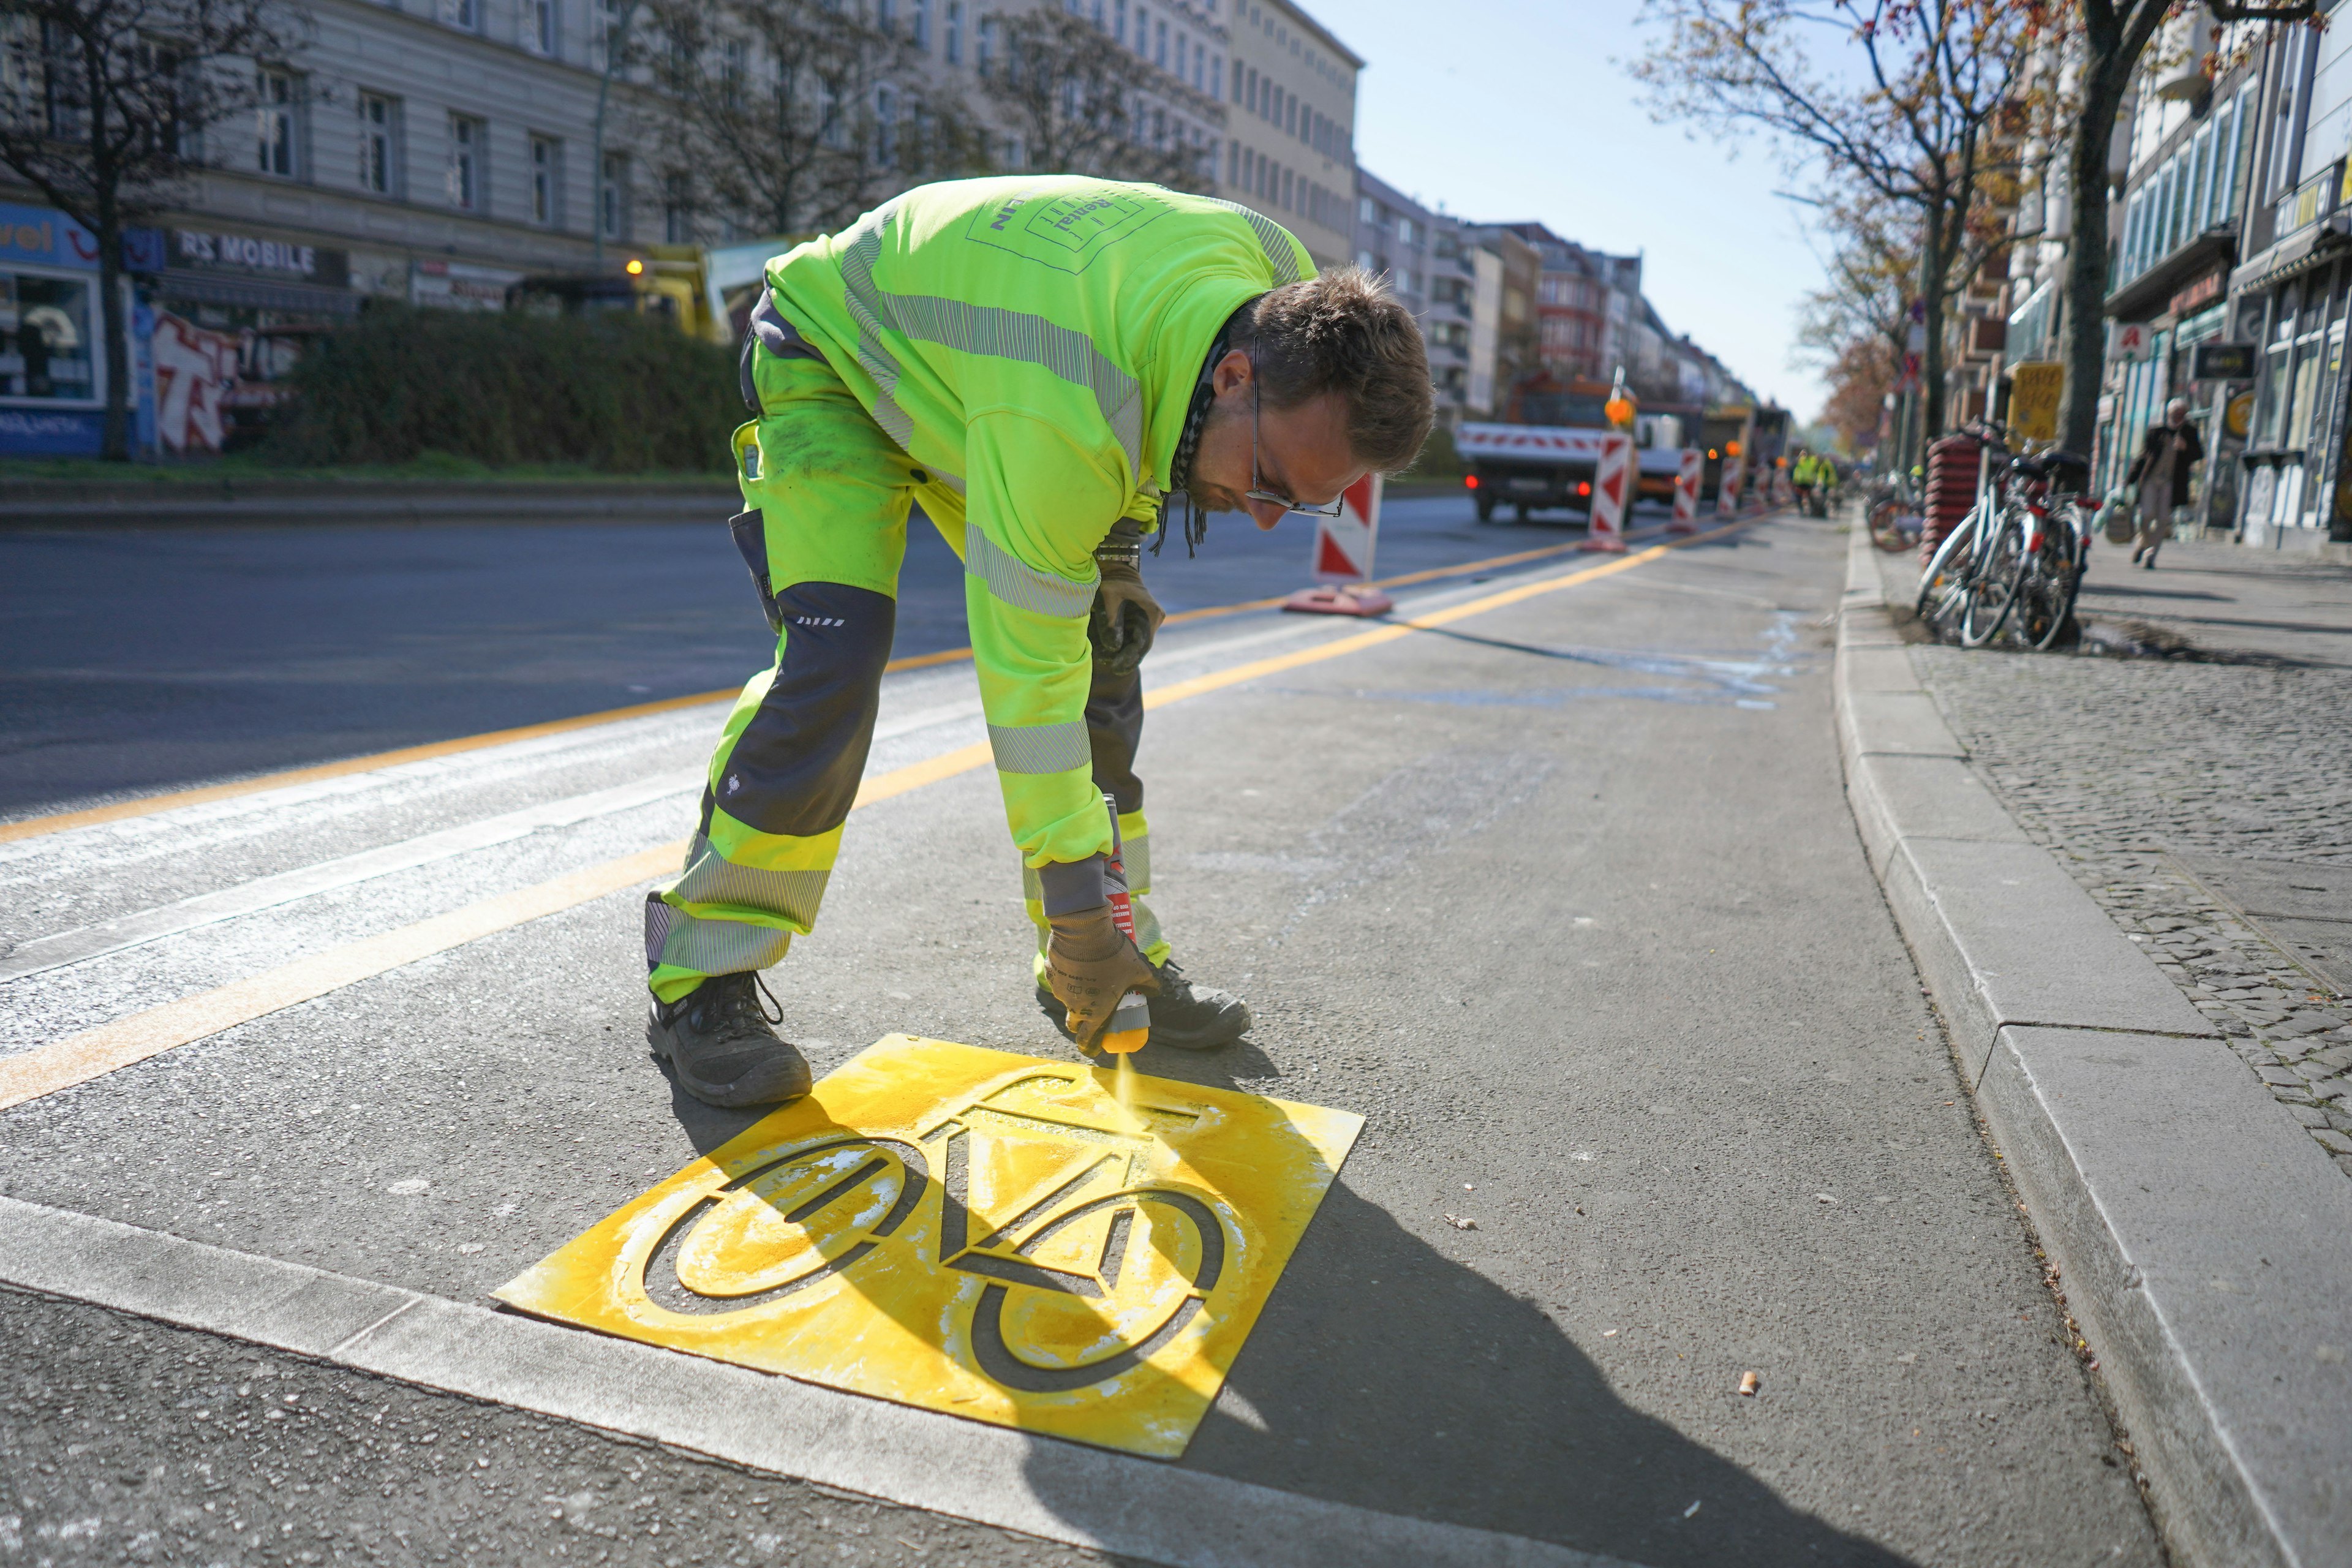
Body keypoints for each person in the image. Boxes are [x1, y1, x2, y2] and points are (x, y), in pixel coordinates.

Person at [639, 175, 1436, 1109]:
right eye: (1267, 481)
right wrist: (1073, 913)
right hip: (842, 357)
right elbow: (1026, 681)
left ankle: (1114, 946)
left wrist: (1122, 543)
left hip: (991, 372)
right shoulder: (1064, 408)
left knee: (1106, 651)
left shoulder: (1278, 282)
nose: (1266, 521)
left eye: (1302, 502)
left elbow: (1153, 394)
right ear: (1236, 378)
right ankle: (701, 978)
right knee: (835, 661)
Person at [2124, 398, 2203, 568]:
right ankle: (2143, 543)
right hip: (2151, 479)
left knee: (2162, 520)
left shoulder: (2189, 433)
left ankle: (2151, 555)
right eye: (2176, 413)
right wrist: (2130, 479)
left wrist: (2186, 449)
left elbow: (2199, 454)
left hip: (2172, 483)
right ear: (2169, 414)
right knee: (2146, 516)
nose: (2178, 417)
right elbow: (2144, 455)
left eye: (2182, 414)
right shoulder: (2156, 431)